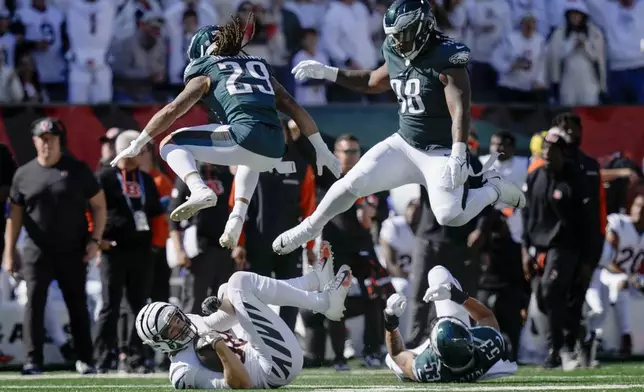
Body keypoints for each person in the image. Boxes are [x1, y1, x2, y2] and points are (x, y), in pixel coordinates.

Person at [273, 0, 525, 255]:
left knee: (450, 215)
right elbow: (373, 81)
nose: (396, 42)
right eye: (392, 35)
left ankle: (492, 189)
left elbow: (459, 107)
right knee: (351, 183)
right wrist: (328, 72)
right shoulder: (395, 49)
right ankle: (309, 228)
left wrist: (460, 152)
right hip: (405, 144)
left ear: (423, 29)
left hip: (441, 152)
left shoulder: (446, 55)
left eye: (402, 35)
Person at [109, 14, 341, 253]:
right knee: (248, 159)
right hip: (275, 146)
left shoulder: (206, 67)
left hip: (243, 135)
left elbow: (173, 109)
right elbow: (293, 107)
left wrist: (139, 141)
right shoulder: (259, 66)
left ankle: (198, 188)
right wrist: (321, 148)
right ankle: (236, 220)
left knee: (170, 143)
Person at [135, 241, 352, 389]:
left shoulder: (191, 324)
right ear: (160, 343)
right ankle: (321, 300)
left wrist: (223, 305)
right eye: (170, 328)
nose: (179, 324)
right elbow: (241, 384)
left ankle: (313, 283)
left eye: (175, 317)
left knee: (227, 289)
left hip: (261, 351)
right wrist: (219, 347)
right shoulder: (182, 371)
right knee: (239, 281)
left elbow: (224, 321)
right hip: (272, 370)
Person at [3, 117, 107, 375]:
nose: (47, 144)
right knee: (33, 304)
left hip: (73, 248)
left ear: (60, 141)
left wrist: (95, 240)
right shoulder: (23, 174)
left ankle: (85, 359)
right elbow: (14, 216)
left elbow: (99, 205)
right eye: (42, 139)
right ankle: (32, 360)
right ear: (35, 141)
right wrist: (9, 251)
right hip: (36, 249)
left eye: (52, 139)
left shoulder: (78, 170)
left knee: (77, 304)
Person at [382, 265, 517, 382]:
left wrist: (391, 320)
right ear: (468, 336)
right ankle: (490, 369)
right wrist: (456, 295)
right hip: (482, 364)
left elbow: (397, 353)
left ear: (434, 352)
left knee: (391, 359)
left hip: (472, 364)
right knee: (438, 274)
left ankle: (407, 375)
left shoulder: (426, 368)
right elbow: (486, 315)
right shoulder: (487, 346)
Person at [586, 185, 644, 362]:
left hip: (631, 277)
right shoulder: (619, 223)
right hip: (606, 273)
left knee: (626, 281)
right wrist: (629, 276)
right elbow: (606, 260)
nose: (640, 211)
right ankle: (625, 337)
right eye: (637, 205)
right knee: (622, 282)